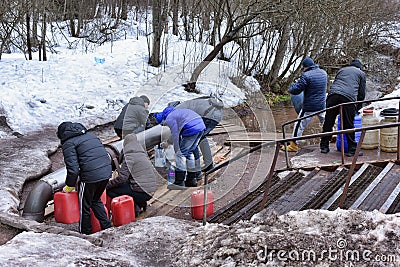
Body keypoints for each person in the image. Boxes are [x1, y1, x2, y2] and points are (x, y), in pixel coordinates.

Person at [57, 121, 112, 235]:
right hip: (106, 172)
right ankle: (108, 227)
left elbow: (73, 169)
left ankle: (85, 234)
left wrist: (69, 185)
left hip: (90, 177)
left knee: (84, 207)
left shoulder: (68, 143)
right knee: (95, 200)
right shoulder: (90, 136)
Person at [320, 59, 366, 157]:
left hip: (332, 96)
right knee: (348, 123)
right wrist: (357, 108)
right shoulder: (361, 73)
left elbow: (336, 83)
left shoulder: (341, 70)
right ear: (359, 67)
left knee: (329, 121)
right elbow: (361, 94)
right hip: (348, 98)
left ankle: (324, 146)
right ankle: (351, 149)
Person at [169, 95, 224, 176]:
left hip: (207, 115)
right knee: (201, 137)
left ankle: (194, 172)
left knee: (194, 140)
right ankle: (208, 165)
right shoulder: (187, 104)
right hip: (216, 115)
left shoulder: (176, 111)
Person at [281, 57, 327, 152]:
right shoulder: (323, 73)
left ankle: (293, 145)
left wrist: (290, 87)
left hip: (310, 106)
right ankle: (333, 136)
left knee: (299, 124)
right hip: (322, 105)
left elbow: (296, 90)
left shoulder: (306, 75)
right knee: (326, 123)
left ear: (305, 67)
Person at [106, 133, 157, 216]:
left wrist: (107, 185)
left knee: (111, 191)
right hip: (151, 191)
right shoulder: (141, 153)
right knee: (125, 185)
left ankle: (133, 209)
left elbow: (122, 178)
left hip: (143, 192)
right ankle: (141, 203)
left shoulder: (129, 156)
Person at [155, 106, 205, 190]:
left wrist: (175, 149)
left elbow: (175, 135)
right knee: (189, 152)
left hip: (192, 129)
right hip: (200, 126)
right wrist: (170, 142)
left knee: (180, 154)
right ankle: (191, 179)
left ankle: (179, 182)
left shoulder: (170, 118)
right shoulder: (177, 113)